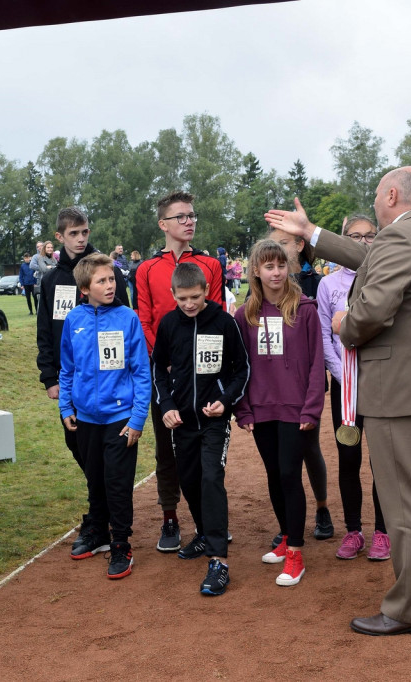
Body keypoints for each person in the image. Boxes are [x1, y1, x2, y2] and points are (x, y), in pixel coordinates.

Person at [266, 166, 411, 635]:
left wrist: (344, 326)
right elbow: (369, 256)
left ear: (391, 194)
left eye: (377, 195)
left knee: (403, 500)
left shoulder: (400, 239)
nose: (374, 203)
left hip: (396, 388)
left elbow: (371, 309)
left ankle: (409, 609)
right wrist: (311, 233)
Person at [152, 263, 250, 595]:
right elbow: (159, 371)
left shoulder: (224, 323)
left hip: (213, 421)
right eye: (182, 299)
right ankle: (204, 532)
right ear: (173, 295)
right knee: (190, 480)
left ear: (206, 291)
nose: (189, 304)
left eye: (195, 297)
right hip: (182, 422)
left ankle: (219, 561)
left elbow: (242, 369)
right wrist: (166, 405)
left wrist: (225, 401)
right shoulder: (168, 325)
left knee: (211, 479)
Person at [136, 191, 225, 553]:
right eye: (181, 217)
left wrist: (191, 359)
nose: (189, 221)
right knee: (166, 449)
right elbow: (144, 318)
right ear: (163, 224)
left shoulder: (210, 265)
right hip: (166, 372)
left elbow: (214, 314)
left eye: (192, 215)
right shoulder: (145, 269)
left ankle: (211, 519)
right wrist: (166, 358)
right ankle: (170, 517)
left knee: (208, 447)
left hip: (204, 372)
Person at [36, 208, 129, 548]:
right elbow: (45, 332)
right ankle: (99, 517)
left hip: (110, 384)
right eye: (74, 233)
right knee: (80, 448)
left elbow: (125, 319)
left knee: (108, 456)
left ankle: (98, 522)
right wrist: (50, 378)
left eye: (85, 232)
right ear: (60, 237)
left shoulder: (106, 271)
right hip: (71, 383)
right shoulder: (51, 280)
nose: (81, 238)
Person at [234, 239, 324, 587]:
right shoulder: (244, 316)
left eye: (281, 265)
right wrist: (243, 409)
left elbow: (317, 363)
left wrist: (312, 407)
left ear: (290, 268)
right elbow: (238, 367)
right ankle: (286, 535)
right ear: (256, 270)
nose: (276, 272)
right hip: (260, 408)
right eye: (269, 266)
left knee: (289, 474)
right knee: (274, 474)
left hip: (295, 408)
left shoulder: (305, 310)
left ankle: (296, 553)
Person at [59, 254, 150, 580]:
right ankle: (97, 531)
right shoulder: (74, 320)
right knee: (95, 478)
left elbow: (141, 372)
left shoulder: (128, 318)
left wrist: (138, 418)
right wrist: (66, 407)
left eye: (111, 279)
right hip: (86, 419)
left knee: (117, 483)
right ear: (85, 288)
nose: (110, 285)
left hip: (120, 419)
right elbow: (67, 368)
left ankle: (121, 544)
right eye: (102, 281)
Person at [315, 215, 390, 561]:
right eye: (355, 236)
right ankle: (354, 531)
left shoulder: (385, 279)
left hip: (379, 383)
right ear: (343, 240)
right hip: (345, 383)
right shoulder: (328, 285)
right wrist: (342, 375)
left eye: (369, 236)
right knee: (349, 456)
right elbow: (324, 336)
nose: (362, 242)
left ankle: (383, 533)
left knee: (383, 460)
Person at [267, 226, 333, 541]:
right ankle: (288, 525)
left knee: (308, 447)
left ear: (299, 244)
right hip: (275, 384)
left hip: (307, 382)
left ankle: (321, 507)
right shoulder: (264, 285)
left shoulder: (316, 284)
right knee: (280, 459)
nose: (277, 249)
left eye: (282, 243)